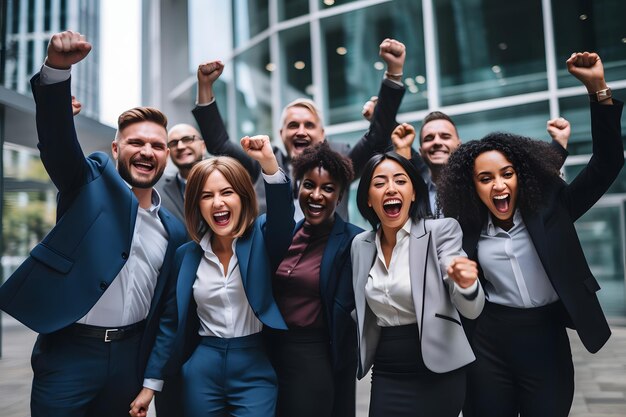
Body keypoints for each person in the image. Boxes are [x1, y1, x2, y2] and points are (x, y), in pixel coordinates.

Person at [0, 31, 187, 417]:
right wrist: (57, 70)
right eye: (136, 142)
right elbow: (57, 144)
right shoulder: (89, 182)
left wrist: (151, 378)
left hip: (129, 358)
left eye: (157, 145)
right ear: (116, 148)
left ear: (166, 156)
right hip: (69, 353)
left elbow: (169, 309)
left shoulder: (174, 229)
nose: (147, 151)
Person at [437, 51, 623, 417]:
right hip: (490, 341)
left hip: (546, 337)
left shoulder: (553, 209)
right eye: (485, 178)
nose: (498, 185)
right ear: (472, 187)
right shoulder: (465, 227)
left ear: (520, 175)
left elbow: (607, 164)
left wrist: (598, 90)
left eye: (506, 174)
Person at [129, 135, 296, 417]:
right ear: (197, 205)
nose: (217, 203)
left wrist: (268, 162)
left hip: (254, 364)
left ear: (243, 198)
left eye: (227, 192)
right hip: (202, 367)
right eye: (207, 196)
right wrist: (150, 386)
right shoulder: (186, 256)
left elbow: (283, 217)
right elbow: (171, 324)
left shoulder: (263, 239)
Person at [192, 38, 408, 220]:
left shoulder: (340, 161)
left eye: (309, 125)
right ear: (281, 135)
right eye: (293, 125)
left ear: (322, 135)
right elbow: (219, 144)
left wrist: (394, 72)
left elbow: (377, 136)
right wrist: (205, 86)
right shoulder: (262, 164)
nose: (301, 131)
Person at [351, 152, 485, 417]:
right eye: (379, 183)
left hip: (437, 370)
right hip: (387, 368)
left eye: (400, 181)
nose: (390, 188)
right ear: (368, 198)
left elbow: (470, 309)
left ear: (413, 193)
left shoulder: (440, 232)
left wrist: (467, 284)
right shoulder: (360, 245)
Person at [264, 142, 362, 417]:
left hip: (315, 359)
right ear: (298, 189)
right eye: (309, 185)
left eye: (328, 188)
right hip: (272, 353)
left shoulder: (354, 241)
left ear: (340, 196)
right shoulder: (286, 234)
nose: (316, 195)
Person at [155, 123, 208, 221]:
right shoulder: (156, 188)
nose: (180, 146)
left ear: (203, 146)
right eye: (173, 143)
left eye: (187, 139)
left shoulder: (225, 179)